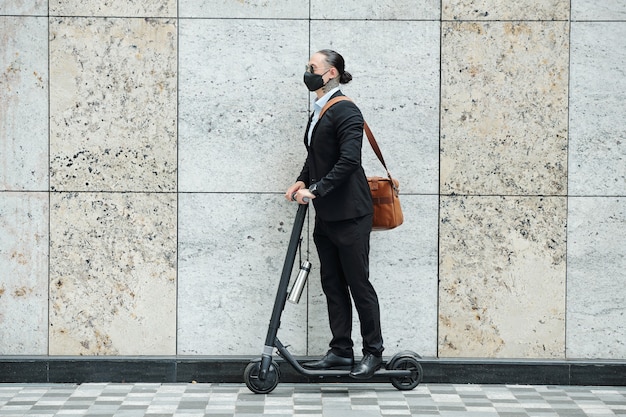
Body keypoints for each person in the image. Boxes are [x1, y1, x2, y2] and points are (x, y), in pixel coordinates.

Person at [284, 49, 384, 379]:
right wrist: (302, 179)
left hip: (351, 214)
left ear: (330, 74)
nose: (307, 71)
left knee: (358, 284)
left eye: (312, 67)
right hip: (327, 216)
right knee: (332, 283)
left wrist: (316, 189)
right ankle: (341, 350)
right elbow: (317, 156)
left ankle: (373, 352)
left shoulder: (347, 111)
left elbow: (349, 161)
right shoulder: (319, 110)